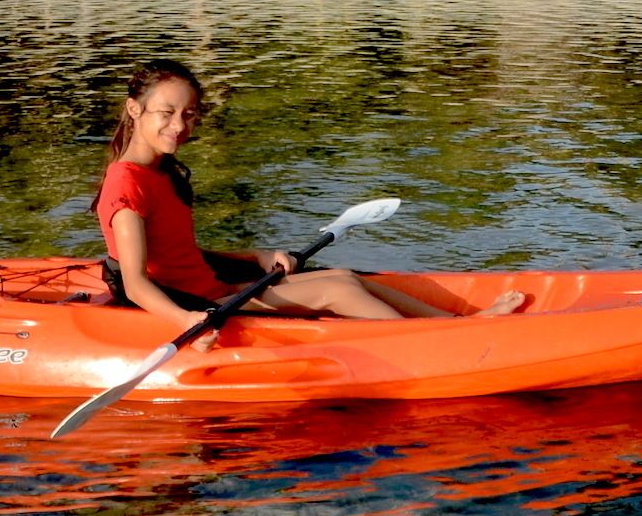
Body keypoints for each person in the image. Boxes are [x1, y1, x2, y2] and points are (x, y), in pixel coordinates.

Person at [95, 60, 522, 323]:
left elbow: (178, 252)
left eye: (188, 115)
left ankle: (454, 323)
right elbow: (135, 283)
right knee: (336, 291)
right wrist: (185, 320)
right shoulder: (126, 183)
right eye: (166, 114)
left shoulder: (161, 171)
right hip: (198, 303)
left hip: (207, 286)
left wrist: (257, 257)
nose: (179, 126)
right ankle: (439, 342)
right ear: (135, 110)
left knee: (342, 276)